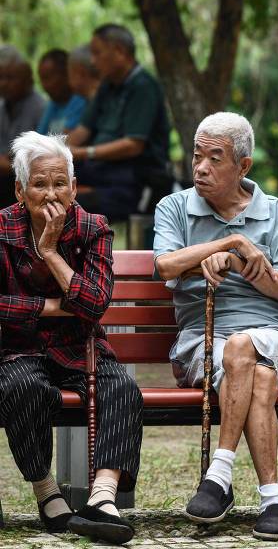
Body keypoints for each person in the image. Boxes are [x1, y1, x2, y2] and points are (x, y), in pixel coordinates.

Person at [153, 112, 278, 541]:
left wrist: (241, 265)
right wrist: (229, 243)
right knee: (256, 369)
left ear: (244, 166)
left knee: (246, 350)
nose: (200, 167)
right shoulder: (174, 207)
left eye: (214, 158)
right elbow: (164, 264)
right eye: (197, 156)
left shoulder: (275, 212)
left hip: (271, 335)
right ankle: (272, 499)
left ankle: (218, 477)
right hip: (202, 339)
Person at [0, 131, 143, 544]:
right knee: (23, 387)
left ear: (74, 187)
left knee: (123, 388)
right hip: (19, 348)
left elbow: (95, 304)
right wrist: (45, 307)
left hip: (80, 346)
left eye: (60, 183)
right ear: (20, 190)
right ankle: (47, 492)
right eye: (40, 183)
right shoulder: (3, 227)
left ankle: (102, 498)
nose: (51, 194)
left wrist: (50, 253)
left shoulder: (92, 228)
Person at [67, 24, 171, 221]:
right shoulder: (108, 85)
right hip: (100, 170)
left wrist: (84, 153)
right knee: (36, 186)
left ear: (119, 52)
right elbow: (82, 130)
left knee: (68, 205)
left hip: (133, 179)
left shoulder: (143, 86)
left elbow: (133, 145)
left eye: (97, 53)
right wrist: (52, 150)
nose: (93, 61)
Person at [0, 45, 46, 208]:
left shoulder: (40, 108)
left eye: (10, 78)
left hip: (26, 178)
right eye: (1, 77)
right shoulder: (3, 107)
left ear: (28, 80)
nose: (4, 83)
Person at [36, 49, 87, 135]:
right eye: (41, 79)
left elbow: (64, 139)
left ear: (66, 74)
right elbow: (39, 137)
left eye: (47, 78)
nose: (44, 85)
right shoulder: (54, 103)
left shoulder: (81, 100)